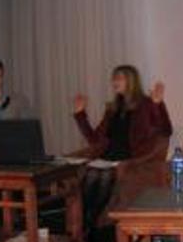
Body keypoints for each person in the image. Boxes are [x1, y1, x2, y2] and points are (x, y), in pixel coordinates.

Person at [72, 65, 172, 228]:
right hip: (107, 157)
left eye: (119, 78)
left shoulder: (146, 104)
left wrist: (158, 105)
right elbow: (94, 139)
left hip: (129, 157)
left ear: (131, 81)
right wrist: (80, 114)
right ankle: (87, 223)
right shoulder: (112, 109)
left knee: (104, 177)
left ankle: (88, 224)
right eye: (113, 78)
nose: (114, 81)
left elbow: (165, 130)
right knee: (91, 174)